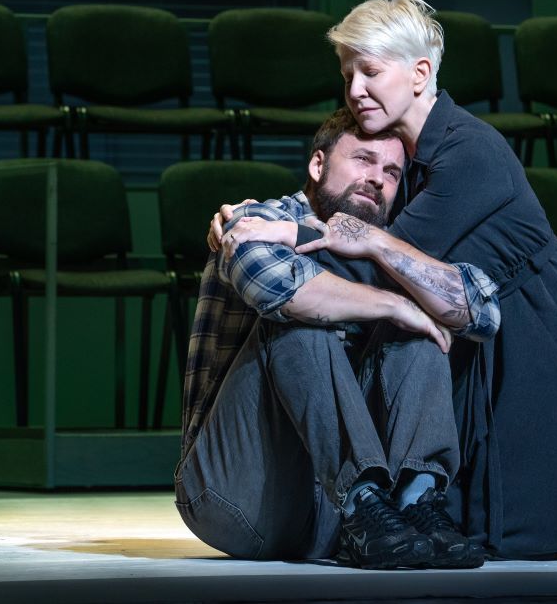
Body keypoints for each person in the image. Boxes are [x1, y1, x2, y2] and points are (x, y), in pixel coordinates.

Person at [217, 0, 557, 559]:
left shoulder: (468, 151)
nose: (355, 89)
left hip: (550, 330)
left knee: (527, 530)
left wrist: (285, 233)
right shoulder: (409, 159)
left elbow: (381, 258)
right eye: (348, 74)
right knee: (465, 520)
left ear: (420, 73)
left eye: (370, 71)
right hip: (480, 328)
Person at [176, 108, 498, 569]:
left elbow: (485, 310)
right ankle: (363, 499)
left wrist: (386, 259)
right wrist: (394, 304)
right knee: (303, 314)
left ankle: (416, 502)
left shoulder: (395, 245)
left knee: (419, 330)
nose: (377, 179)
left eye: (391, 171)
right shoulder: (259, 219)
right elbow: (273, 285)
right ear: (318, 165)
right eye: (363, 160)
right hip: (238, 495)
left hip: (355, 522)